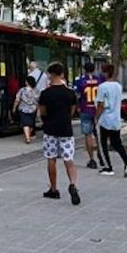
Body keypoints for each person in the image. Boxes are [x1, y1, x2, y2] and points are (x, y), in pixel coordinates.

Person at [38, 62, 81, 205]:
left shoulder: (45, 93)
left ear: (50, 75)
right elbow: (72, 111)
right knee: (68, 160)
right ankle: (73, 184)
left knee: (51, 159)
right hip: (66, 130)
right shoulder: (70, 93)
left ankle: (54, 189)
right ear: (62, 74)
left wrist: (47, 120)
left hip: (50, 130)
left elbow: (42, 112)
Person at [95, 64, 127, 177]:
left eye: (102, 71)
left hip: (105, 119)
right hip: (116, 119)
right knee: (116, 143)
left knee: (102, 143)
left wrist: (96, 117)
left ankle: (107, 167)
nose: (101, 74)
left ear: (106, 73)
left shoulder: (102, 87)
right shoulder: (118, 86)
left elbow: (101, 104)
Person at [73, 62, 104, 169]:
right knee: (99, 135)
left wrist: (78, 106)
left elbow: (77, 95)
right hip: (98, 110)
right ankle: (102, 155)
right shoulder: (100, 80)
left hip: (85, 109)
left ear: (84, 69)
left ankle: (92, 159)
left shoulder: (80, 81)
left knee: (88, 135)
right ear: (94, 69)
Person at [12, 76, 39, 144]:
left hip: (23, 108)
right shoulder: (36, 90)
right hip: (33, 108)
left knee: (25, 123)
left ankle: (27, 138)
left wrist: (14, 107)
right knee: (31, 124)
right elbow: (38, 101)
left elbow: (17, 100)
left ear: (27, 82)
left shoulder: (22, 90)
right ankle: (28, 136)